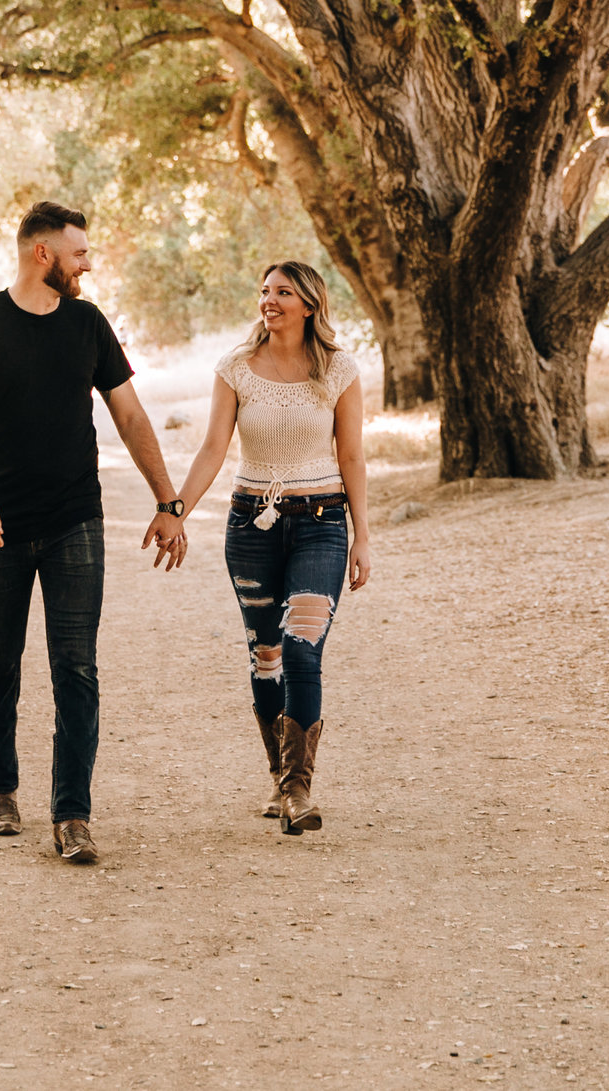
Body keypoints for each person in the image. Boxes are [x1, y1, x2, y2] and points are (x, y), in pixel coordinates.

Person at [0, 202, 187, 866]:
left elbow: (128, 415)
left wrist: (168, 500)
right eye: (79, 254)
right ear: (43, 254)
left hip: (76, 522)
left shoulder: (88, 323)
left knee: (76, 667)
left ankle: (72, 815)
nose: (88, 264)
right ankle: (1, 792)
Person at [168, 261, 371, 834]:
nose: (269, 301)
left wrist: (363, 536)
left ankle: (298, 790)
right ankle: (281, 781)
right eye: (264, 291)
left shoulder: (338, 370)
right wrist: (175, 509)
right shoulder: (236, 368)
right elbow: (212, 448)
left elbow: (352, 457)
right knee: (266, 654)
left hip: (321, 523)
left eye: (282, 292)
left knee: (303, 648)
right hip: (249, 525)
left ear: (309, 304)